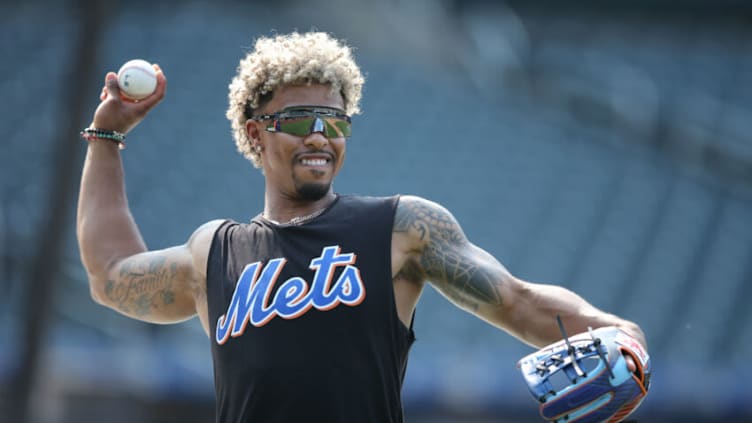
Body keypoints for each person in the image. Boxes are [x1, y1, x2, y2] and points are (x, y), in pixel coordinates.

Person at [77, 31, 648, 422]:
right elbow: (110, 277)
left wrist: (617, 329)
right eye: (299, 119)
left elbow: (517, 302)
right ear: (256, 135)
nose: (320, 136)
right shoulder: (215, 253)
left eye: (335, 120)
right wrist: (106, 138)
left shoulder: (401, 227)